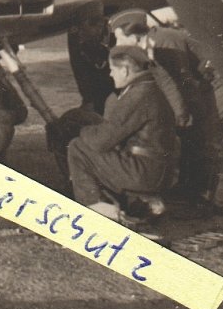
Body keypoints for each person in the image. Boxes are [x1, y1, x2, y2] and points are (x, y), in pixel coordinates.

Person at [108, 9, 215, 204]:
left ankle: (201, 196)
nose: (117, 44)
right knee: (187, 140)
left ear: (133, 36)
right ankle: (186, 191)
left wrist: (183, 113)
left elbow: (182, 80)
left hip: (211, 79)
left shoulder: (163, 42)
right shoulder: (148, 46)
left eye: (119, 38)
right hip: (190, 85)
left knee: (199, 140)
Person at [67, 46, 180, 217]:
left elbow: (101, 141)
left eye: (113, 69)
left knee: (78, 148)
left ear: (125, 70)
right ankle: (144, 201)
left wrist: (84, 131)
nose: (110, 74)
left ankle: (96, 206)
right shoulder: (152, 89)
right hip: (160, 171)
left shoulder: (138, 94)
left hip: (145, 172)